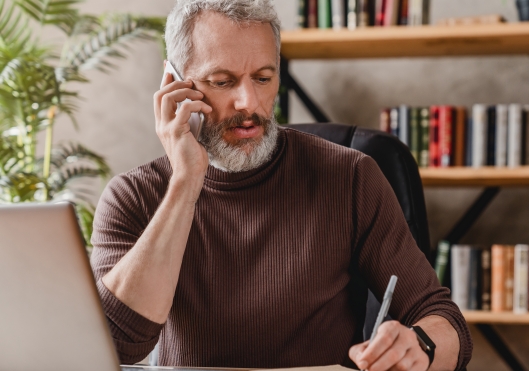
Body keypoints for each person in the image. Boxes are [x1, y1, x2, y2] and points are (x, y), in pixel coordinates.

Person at [89, 0, 472, 370]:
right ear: (174, 84)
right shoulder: (132, 196)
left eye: (263, 78)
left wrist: (419, 346)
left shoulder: (350, 176)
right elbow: (118, 343)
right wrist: (186, 181)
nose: (249, 103)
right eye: (222, 81)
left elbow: (443, 320)